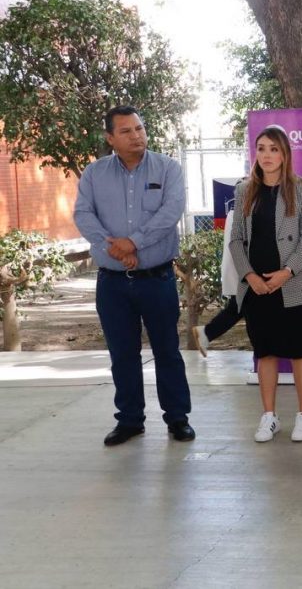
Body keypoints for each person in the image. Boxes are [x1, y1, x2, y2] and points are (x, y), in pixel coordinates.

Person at [74, 105, 195, 446]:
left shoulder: (168, 168)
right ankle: (129, 420)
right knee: (122, 354)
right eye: (126, 131)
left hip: (157, 279)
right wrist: (112, 247)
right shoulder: (94, 174)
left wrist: (133, 242)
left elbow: (170, 212)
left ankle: (177, 418)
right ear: (110, 138)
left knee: (167, 351)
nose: (136, 136)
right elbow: (83, 214)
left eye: (139, 128)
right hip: (112, 284)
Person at [229, 126, 302, 443]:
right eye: (261, 148)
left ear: (285, 154)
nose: (267, 155)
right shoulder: (245, 190)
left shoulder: (301, 187)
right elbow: (236, 240)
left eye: (274, 149)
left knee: (300, 352)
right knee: (266, 353)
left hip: (294, 284)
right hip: (258, 287)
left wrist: (287, 271)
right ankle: (269, 416)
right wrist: (250, 276)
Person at [192, 206, 240, 356]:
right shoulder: (241, 213)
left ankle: (206, 333)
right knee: (239, 308)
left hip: (244, 274)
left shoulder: (237, 213)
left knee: (237, 308)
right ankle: (206, 333)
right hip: (246, 274)